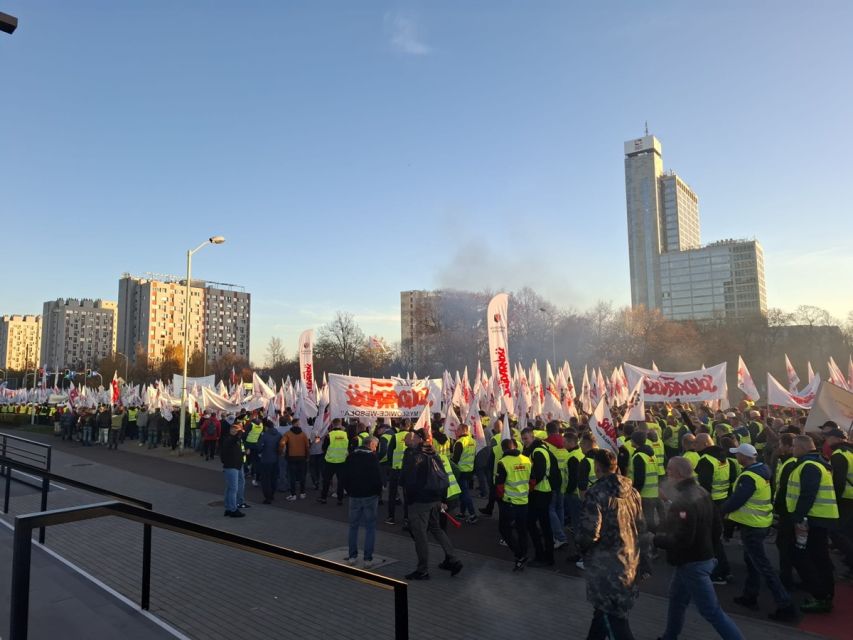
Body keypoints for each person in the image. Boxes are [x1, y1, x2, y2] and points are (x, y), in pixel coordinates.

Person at [654, 457, 745, 640]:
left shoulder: (683, 500)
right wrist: (710, 549)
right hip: (697, 558)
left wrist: (655, 539)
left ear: (678, 473)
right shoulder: (701, 491)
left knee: (711, 610)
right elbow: (717, 526)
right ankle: (669, 636)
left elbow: (681, 539)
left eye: (669, 470)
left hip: (692, 563)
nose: (666, 473)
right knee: (677, 600)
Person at [576, 449, 648, 640]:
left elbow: (589, 533)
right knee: (603, 614)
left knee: (613, 619)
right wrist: (645, 562)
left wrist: (582, 549)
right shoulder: (633, 492)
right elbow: (642, 528)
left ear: (597, 467)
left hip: (607, 568)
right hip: (630, 562)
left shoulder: (596, 493)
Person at [721, 444, 797, 621]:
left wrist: (720, 511)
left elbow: (737, 500)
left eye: (738, 455)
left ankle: (785, 604)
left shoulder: (749, 476)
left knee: (763, 566)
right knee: (752, 562)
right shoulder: (762, 470)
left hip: (752, 526)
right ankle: (750, 595)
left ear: (744, 457)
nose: (736, 457)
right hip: (760, 523)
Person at [400, 428, 463, 580]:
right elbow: (444, 475)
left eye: (413, 436)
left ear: (418, 439)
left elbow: (407, 479)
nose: (411, 439)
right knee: (436, 529)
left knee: (420, 534)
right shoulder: (435, 454)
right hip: (435, 498)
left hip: (420, 501)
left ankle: (422, 570)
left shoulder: (415, 456)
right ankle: (453, 558)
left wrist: (409, 499)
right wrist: (442, 499)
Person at [786, 434, 839, 613]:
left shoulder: (809, 466)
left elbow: (808, 494)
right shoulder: (814, 463)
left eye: (794, 446)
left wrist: (798, 517)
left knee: (812, 557)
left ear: (802, 447)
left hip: (814, 518)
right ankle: (822, 592)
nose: (792, 449)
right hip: (818, 517)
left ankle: (821, 596)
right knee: (817, 557)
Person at [694, 433, 732, 584]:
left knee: (712, 539)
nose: (694, 446)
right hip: (722, 500)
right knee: (715, 537)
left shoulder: (706, 460)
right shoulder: (722, 457)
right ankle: (723, 569)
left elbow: (704, 486)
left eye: (696, 443)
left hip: (711, 503)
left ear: (705, 444)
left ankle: (719, 572)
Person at [343, 436, 383, 568]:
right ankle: (367, 558)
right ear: (371, 444)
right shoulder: (372, 458)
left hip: (354, 495)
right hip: (370, 496)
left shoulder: (351, 456)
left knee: (353, 526)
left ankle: (352, 556)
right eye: (375, 446)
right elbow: (378, 477)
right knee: (370, 527)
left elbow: (345, 475)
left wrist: (349, 490)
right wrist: (378, 492)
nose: (375, 448)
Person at [494, 437, 531, 571]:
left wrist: (501, 498)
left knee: (504, 529)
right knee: (522, 529)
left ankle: (519, 554)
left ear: (503, 449)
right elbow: (532, 480)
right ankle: (523, 554)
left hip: (509, 502)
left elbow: (499, 486)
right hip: (524, 500)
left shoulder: (503, 462)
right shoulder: (526, 460)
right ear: (514, 447)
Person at [520, 427, 555, 567]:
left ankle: (542, 555)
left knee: (535, 524)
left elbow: (538, 475)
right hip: (542, 491)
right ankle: (547, 556)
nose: (524, 441)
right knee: (543, 525)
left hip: (540, 492)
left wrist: (528, 488)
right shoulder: (540, 449)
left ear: (532, 437)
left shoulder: (537, 451)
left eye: (526, 438)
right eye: (523, 439)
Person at [826, 428, 853, 578]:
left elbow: (838, 482)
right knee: (848, 533)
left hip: (845, 499)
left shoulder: (839, 455)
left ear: (837, 439)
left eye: (829, 437)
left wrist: (833, 501)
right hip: (850, 498)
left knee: (837, 532)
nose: (827, 440)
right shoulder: (849, 452)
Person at [451, 422, 478, 523]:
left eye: (458, 429)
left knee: (464, 493)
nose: (456, 431)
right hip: (469, 470)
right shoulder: (473, 441)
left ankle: (473, 514)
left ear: (463, 430)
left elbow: (455, 459)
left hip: (461, 471)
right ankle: (462, 513)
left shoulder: (460, 442)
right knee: (463, 492)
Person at [318, 419, 349, 505]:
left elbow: (324, 448)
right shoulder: (345, 434)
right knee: (341, 481)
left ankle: (323, 498)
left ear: (332, 425)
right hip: (342, 460)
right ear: (340, 424)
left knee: (326, 480)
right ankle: (340, 499)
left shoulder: (329, 435)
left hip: (330, 461)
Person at [221, 421, 247, 518]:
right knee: (233, 489)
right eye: (233, 429)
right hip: (231, 466)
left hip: (235, 465)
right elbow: (233, 442)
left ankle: (228, 508)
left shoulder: (235, 440)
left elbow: (237, 451)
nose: (234, 430)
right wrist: (240, 431)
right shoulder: (230, 439)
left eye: (236, 429)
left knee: (230, 488)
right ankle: (233, 509)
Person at [280, 422, 310, 500]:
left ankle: (293, 494)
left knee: (292, 476)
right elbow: (307, 446)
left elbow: (282, 443)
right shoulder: (303, 434)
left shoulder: (288, 434)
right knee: (302, 475)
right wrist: (307, 456)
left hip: (291, 457)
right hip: (302, 457)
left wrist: (282, 452)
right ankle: (302, 493)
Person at [256, 420, 282, 504]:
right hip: (276, 459)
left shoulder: (264, 435)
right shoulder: (278, 434)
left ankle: (268, 497)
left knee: (266, 479)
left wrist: (260, 451)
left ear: (266, 427)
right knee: (274, 478)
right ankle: (272, 494)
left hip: (266, 459)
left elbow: (259, 447)